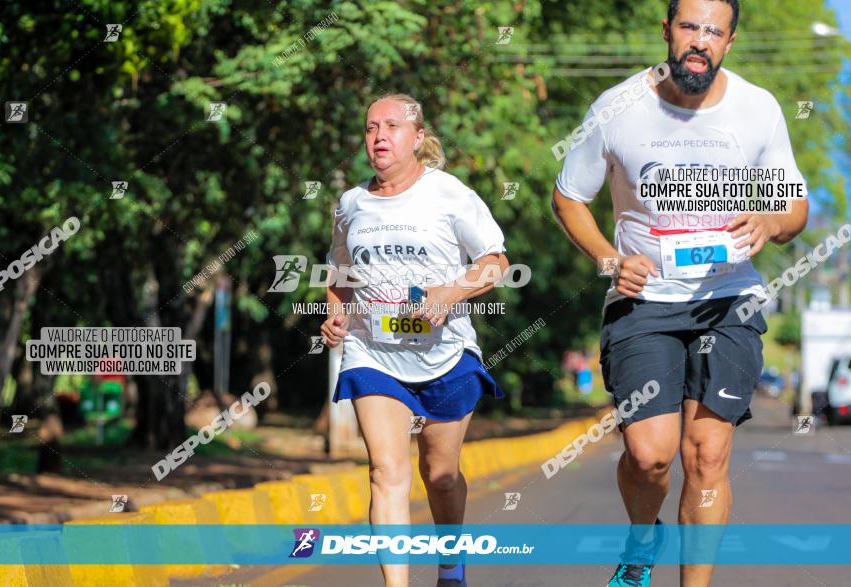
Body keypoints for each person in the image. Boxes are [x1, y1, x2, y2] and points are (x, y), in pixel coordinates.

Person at [551, 1, 808, 585]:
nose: (700, 41)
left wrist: (769, 224)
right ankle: (642, 540)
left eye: (713, 31)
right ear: (667, 31)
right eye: (689, 27)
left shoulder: (757, 110)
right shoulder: (618, 108)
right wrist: (608, 259)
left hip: (728, 298)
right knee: (651, 454)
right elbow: (569, 197)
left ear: (729, 41)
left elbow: (794, 206)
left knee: (707, 454)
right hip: (643, 300)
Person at [321, 93, 509, 587]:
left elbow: (495, 260)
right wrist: (336, 315)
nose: (379, 136)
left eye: (392, 126)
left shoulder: (449, 193)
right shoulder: (350, 204)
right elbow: (339, 272)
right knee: (386, 471)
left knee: (440, 474)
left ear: (418, 137)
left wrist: (451, 291)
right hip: (373, 353)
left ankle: (450, 566)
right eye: (370, 128)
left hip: (444, 354)